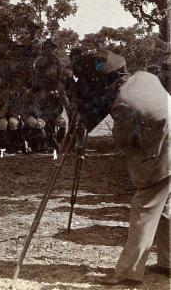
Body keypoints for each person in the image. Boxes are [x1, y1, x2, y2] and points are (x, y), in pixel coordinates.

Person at [73, 52, 170, 286]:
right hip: (168, 147)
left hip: (163, 155)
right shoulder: (146, 76)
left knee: (143, 210)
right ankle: (168, 262)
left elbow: (124, 141)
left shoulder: (123, 103)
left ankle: (129, 272)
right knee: (166, 209)